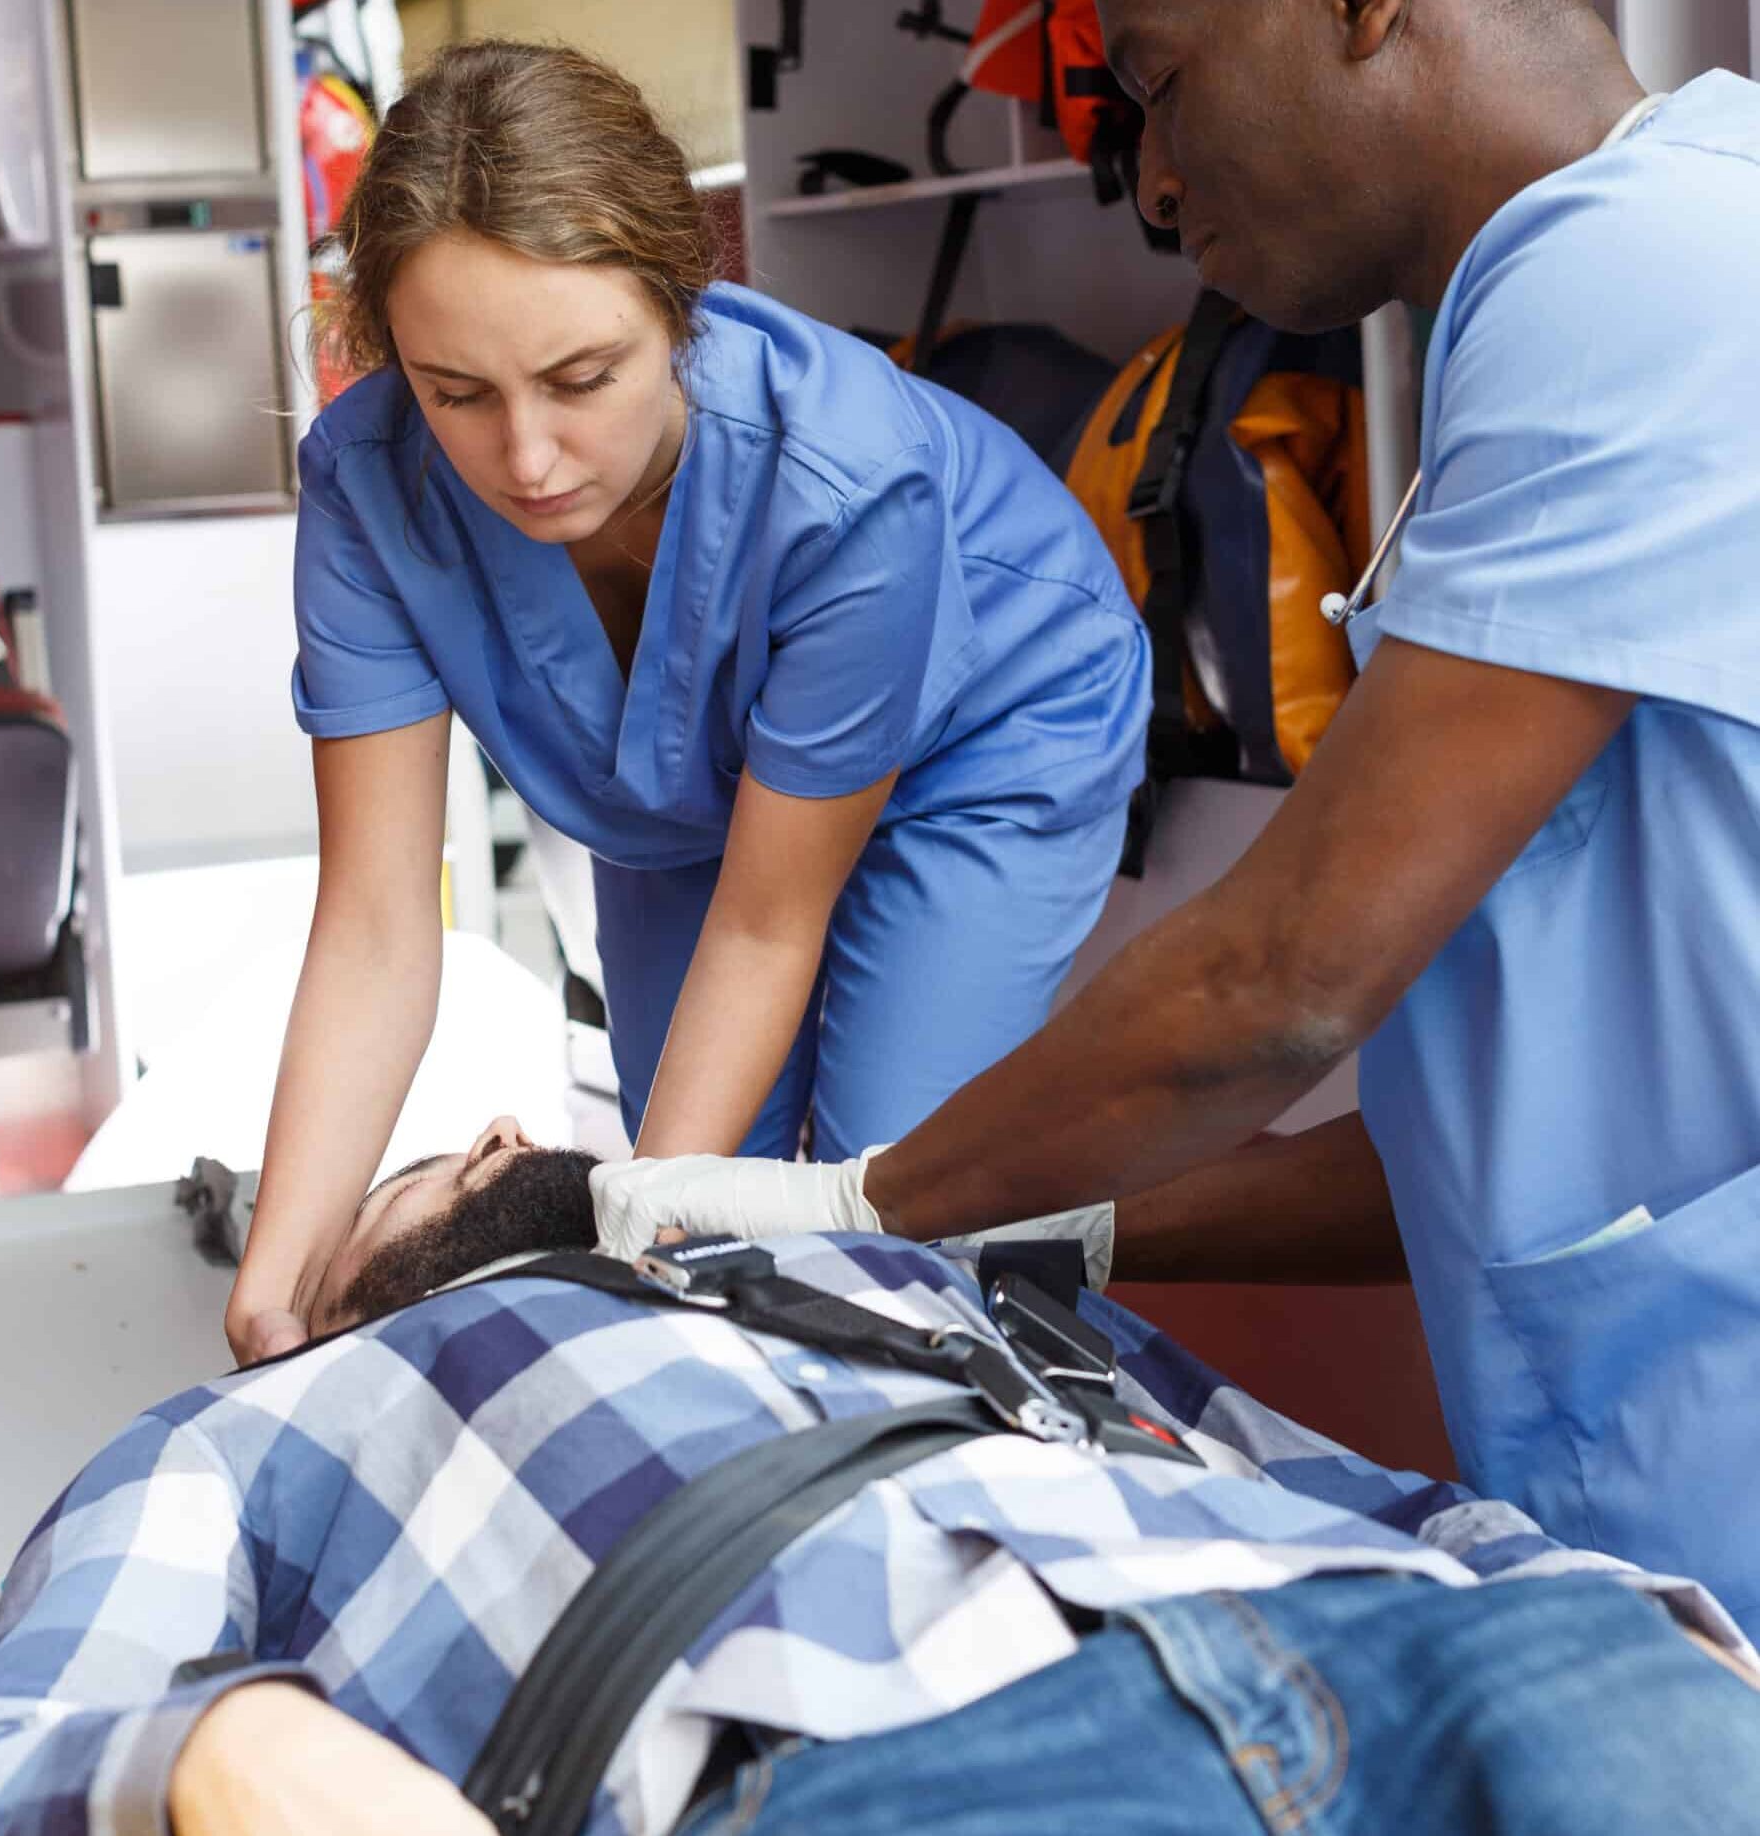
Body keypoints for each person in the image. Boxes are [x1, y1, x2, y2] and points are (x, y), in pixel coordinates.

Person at [589, 1, 1760, 1639]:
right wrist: (1061, 1226)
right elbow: (1507, 1158)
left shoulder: (1633, 277)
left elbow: (1279, 981)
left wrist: (861, 1206)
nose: (1144, 182)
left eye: (1156, 83)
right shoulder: (1607, 275)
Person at [0, 1140, 1757, 1836]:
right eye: (410, 1171)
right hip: (878, 1774)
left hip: (1450, 1656)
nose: (479, 1144)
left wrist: (1627, 1614)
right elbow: (9, 1746)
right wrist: (236, 1758)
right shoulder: (245, 1432)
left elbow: (1350, 1485)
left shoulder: (913, 1284)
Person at [225, 39, 1152, 1368]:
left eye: (583, 377)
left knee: (897, 1228)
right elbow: (377, 925)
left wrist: (632, 1306)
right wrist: (274, 1289)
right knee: (694, 1203)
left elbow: (772, 926)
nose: (528, 459)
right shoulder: (368, 485)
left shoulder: (846, 483)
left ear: (681, 305)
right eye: (457, 395)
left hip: (983, 732)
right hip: (680, 800)